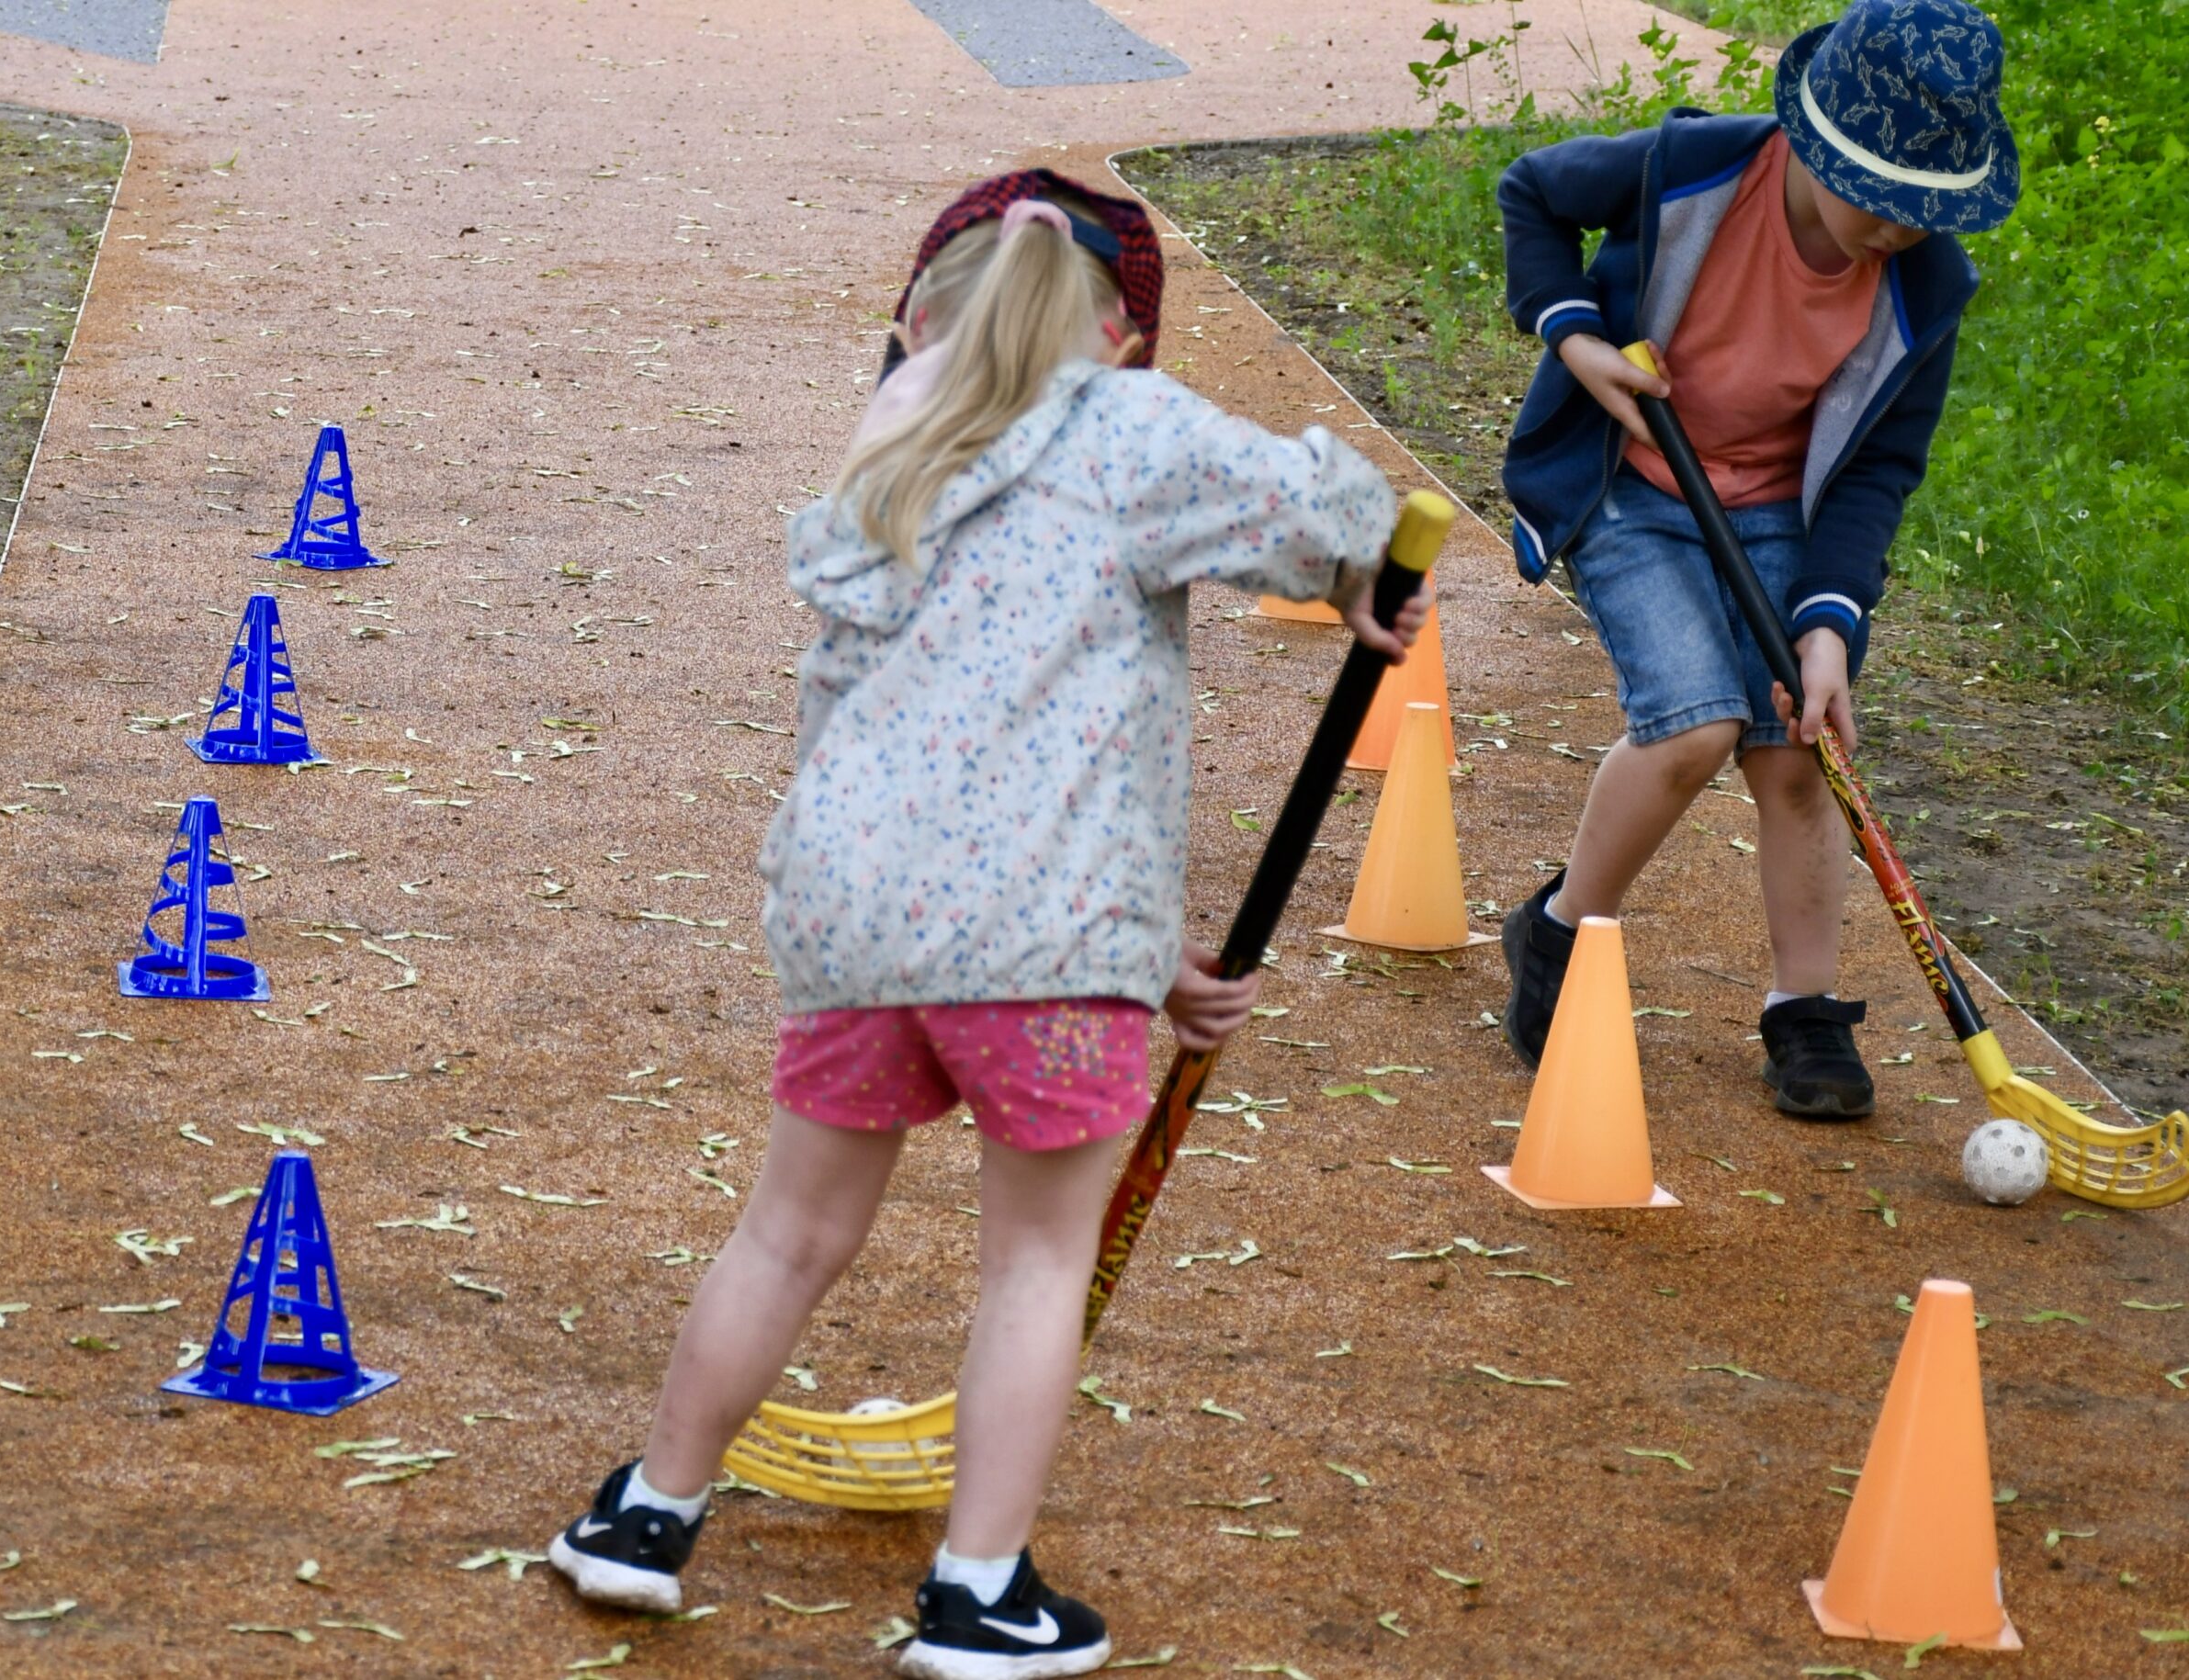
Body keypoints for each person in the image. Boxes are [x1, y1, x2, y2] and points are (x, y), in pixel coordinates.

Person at [547, 169, 1426, 1680]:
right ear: (1121, 336)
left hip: (856, 922)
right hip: (1050, 940)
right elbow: (1339, 503)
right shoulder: (1127, 425)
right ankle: (977, 1589)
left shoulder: (888, 449)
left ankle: (647, 1512)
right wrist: (1360, 578)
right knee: (1034, 1262)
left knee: (789, 1230)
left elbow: (897, 747)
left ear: (914, 322)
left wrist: (1145, 961)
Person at [1493, 0, 2015, 1118]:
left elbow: (1876, 472)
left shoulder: (1927, 284)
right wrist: (1575, 337)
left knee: (1797, 748)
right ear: (1814, 143)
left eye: (1926, 209)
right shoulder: (1693, 168)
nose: (1899, 229)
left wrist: (1827, 621)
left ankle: (1803, 1006)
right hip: (1632, 483)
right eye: (1880, 196)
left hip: (1780, 507)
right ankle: (1559, 931)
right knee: (1693, 725)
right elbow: (1531, 191)